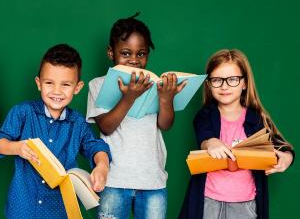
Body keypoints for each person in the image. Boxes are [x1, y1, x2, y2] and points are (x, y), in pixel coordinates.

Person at [0, 44, 111, 219]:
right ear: (38, 83)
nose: (57, 91)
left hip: (60, 210)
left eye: (65, 85)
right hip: (22, 207)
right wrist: (16, 148)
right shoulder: (23, 112)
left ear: (77, 88)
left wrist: (102, 166)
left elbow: (95, 146)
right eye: (49, 83)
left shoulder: (77, 122)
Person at [87, 13, 186, 219]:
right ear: (110, 53)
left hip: (152, 181)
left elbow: (165, 124)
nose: (134, 60)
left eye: (141, 54)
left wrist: (166, 99)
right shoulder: (97, 85)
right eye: (125, 53)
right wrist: (129, 97)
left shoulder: (155, 85)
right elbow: (106, 126)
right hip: (113, 181)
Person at [179, 49, 294, 219]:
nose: (224, 86)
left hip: (246, 204)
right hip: (208, 200)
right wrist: (211, 142)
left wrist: (287, 157)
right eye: (217, 80)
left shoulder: (257, 118)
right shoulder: (205, 115)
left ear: (244, 83)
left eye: (232, 79)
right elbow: (204, 136)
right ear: (209, 84)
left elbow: (282, 147)